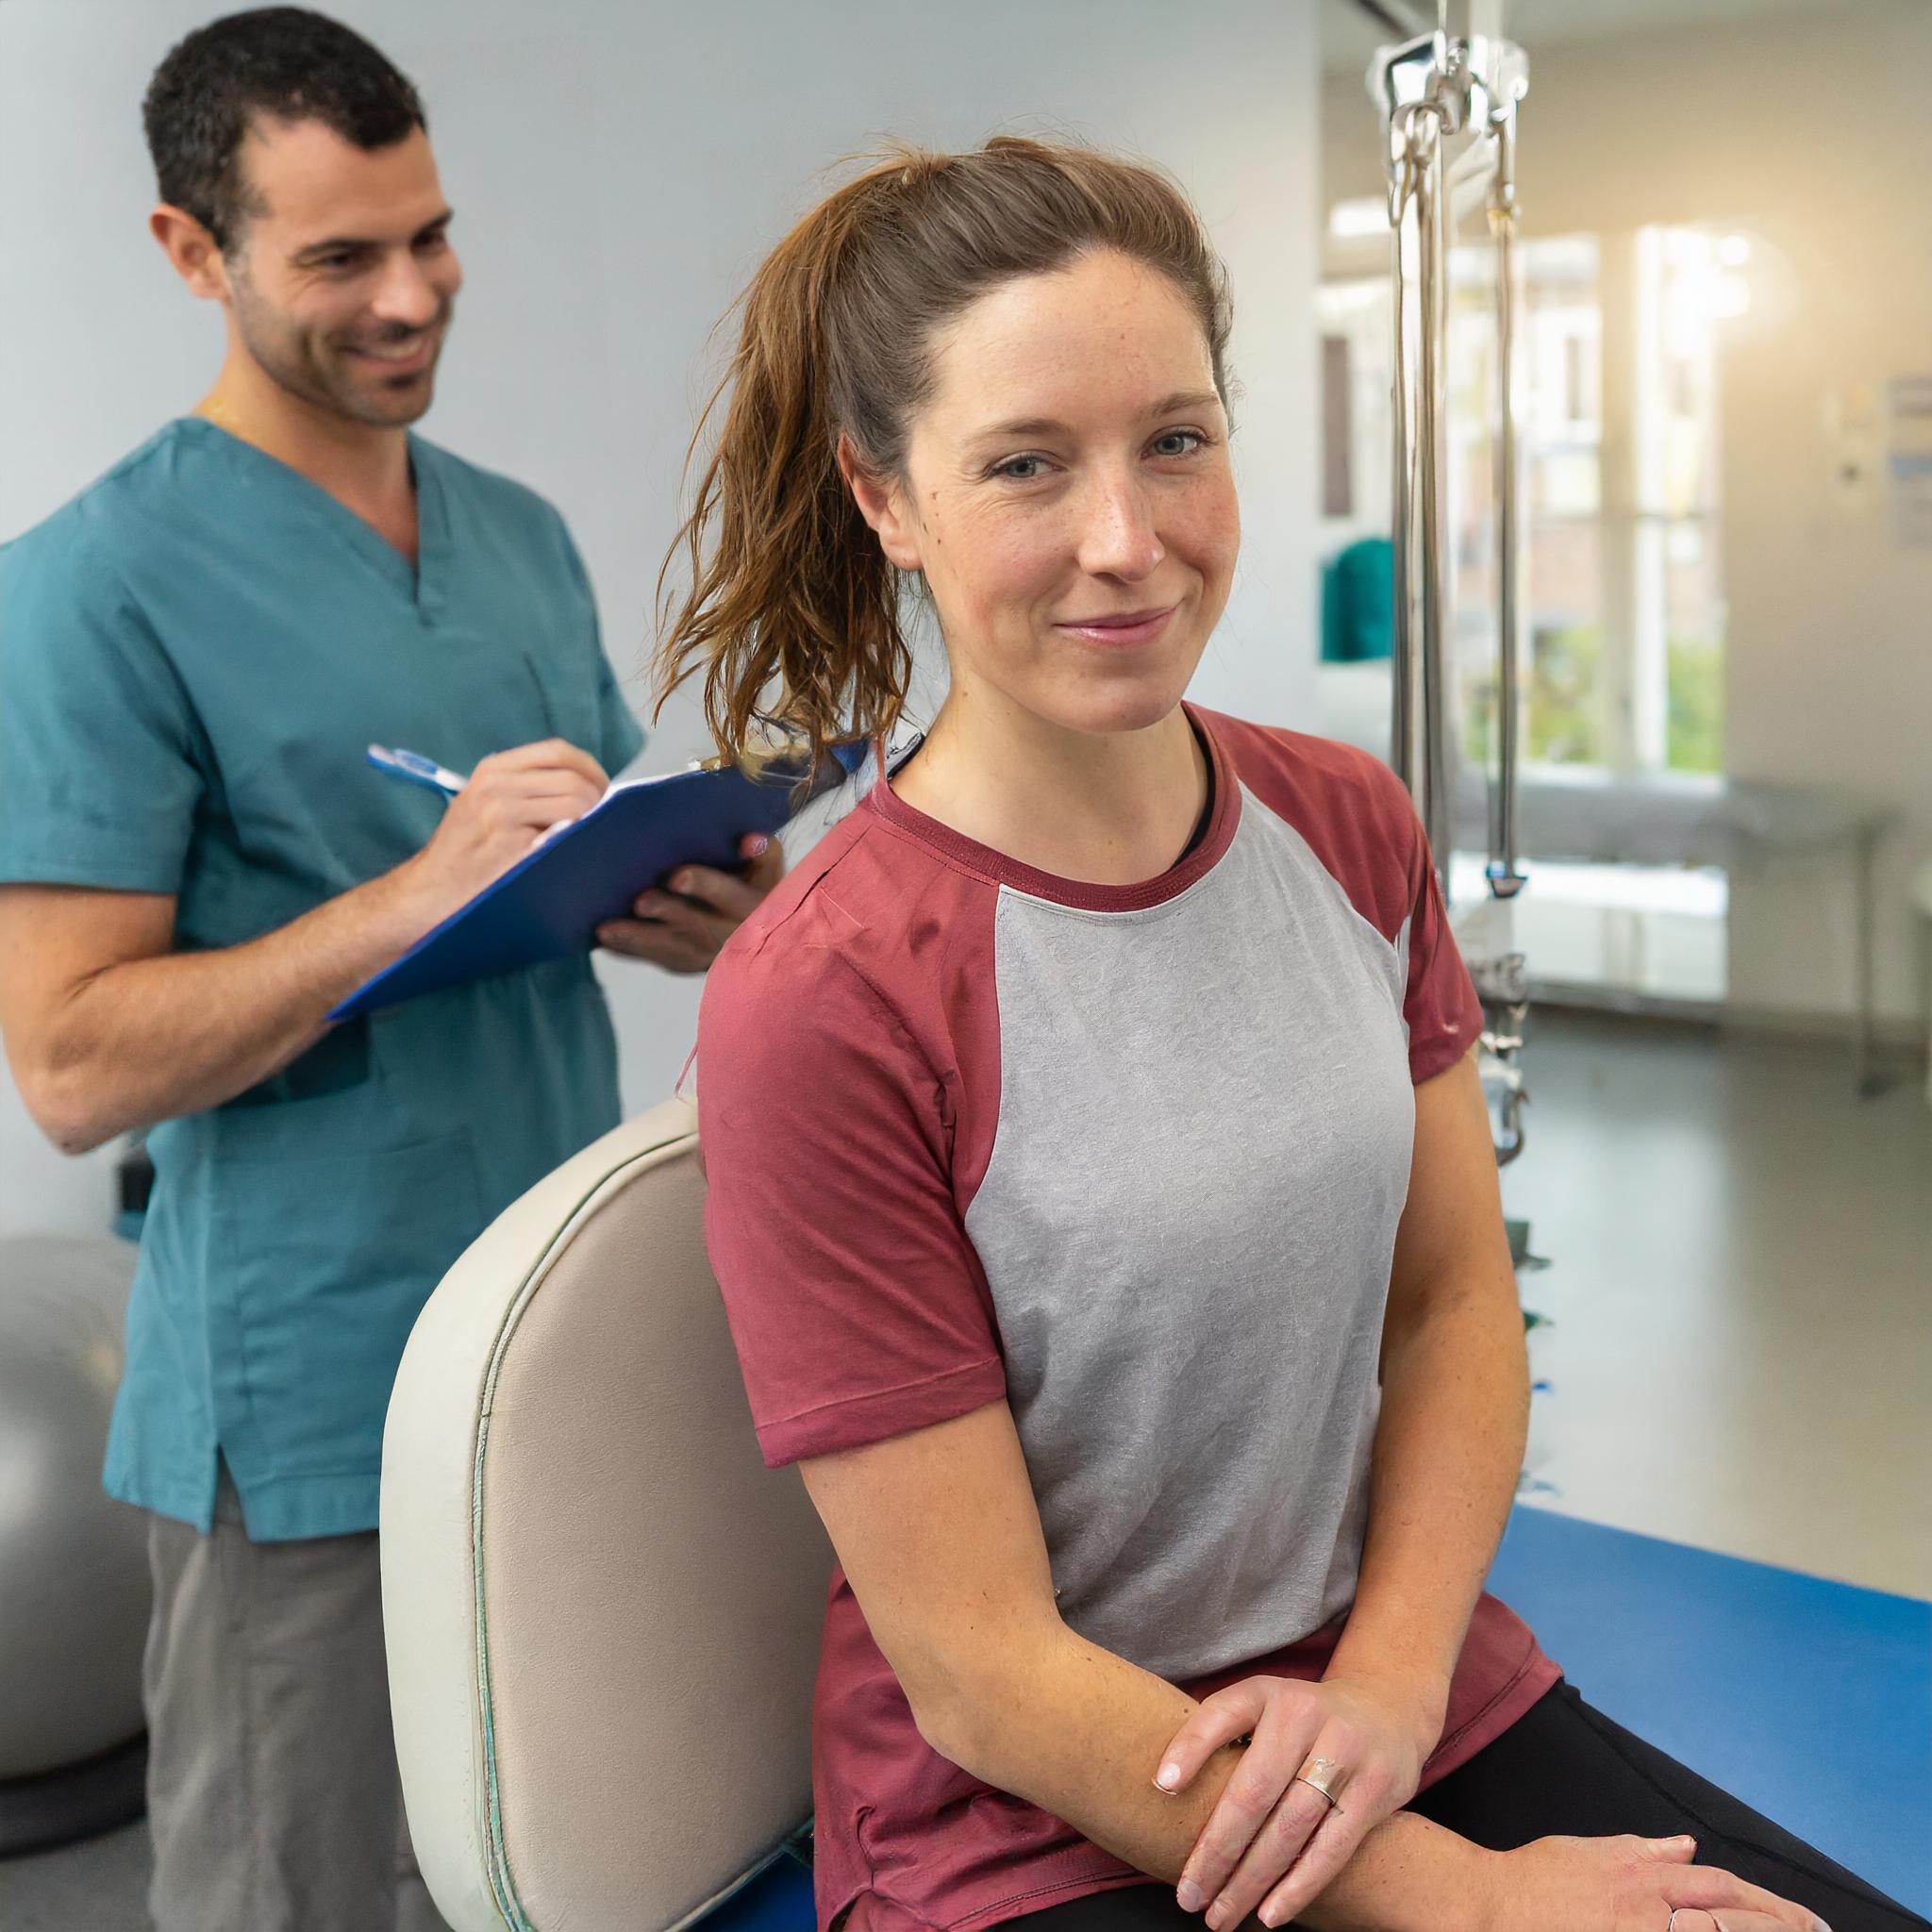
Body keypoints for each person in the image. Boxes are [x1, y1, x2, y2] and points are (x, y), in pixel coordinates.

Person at [667, 139, 1925, 1932]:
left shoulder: (1342, 824)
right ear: (886, 498)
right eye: (1026, 465)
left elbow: (1452, 1301)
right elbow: (984, 1672)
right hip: (1043, 1821)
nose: (1130, 540)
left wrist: (1394, 1696)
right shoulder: (828, 995)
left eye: (1176, 439)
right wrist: (1479, 1909)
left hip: (1383, 1703)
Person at [0, 10, 777, 1930]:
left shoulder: (511, 537)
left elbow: (568, 847)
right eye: (341, 257)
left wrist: (696, 891)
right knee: (299, 1897)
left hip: (559, 1347)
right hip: (307, 1392)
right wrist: (414, 892)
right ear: (196, 256)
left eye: (429, 235)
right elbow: (73, 1061)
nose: (412, 296)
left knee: (564, 1879)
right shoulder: (88, 586)